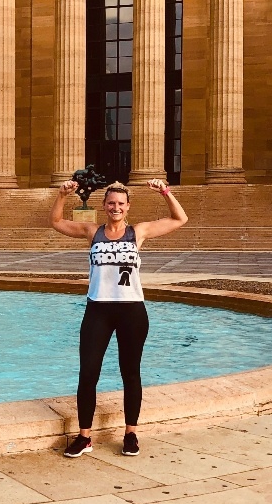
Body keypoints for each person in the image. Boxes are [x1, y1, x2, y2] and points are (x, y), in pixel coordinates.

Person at [50, 177, 188, 458]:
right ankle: (84, 437)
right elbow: (56, 222)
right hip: (98, 310)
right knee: (88, 373)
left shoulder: (138, 232)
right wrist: (62, 195)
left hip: (131, 311)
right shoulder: (92, 231)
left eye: (121, 204)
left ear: (128, 207)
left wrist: (165, 192)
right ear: (104, 205)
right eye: (111, 203)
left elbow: (180, 219)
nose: (116, 207)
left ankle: (131, 434)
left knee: (130, 373)